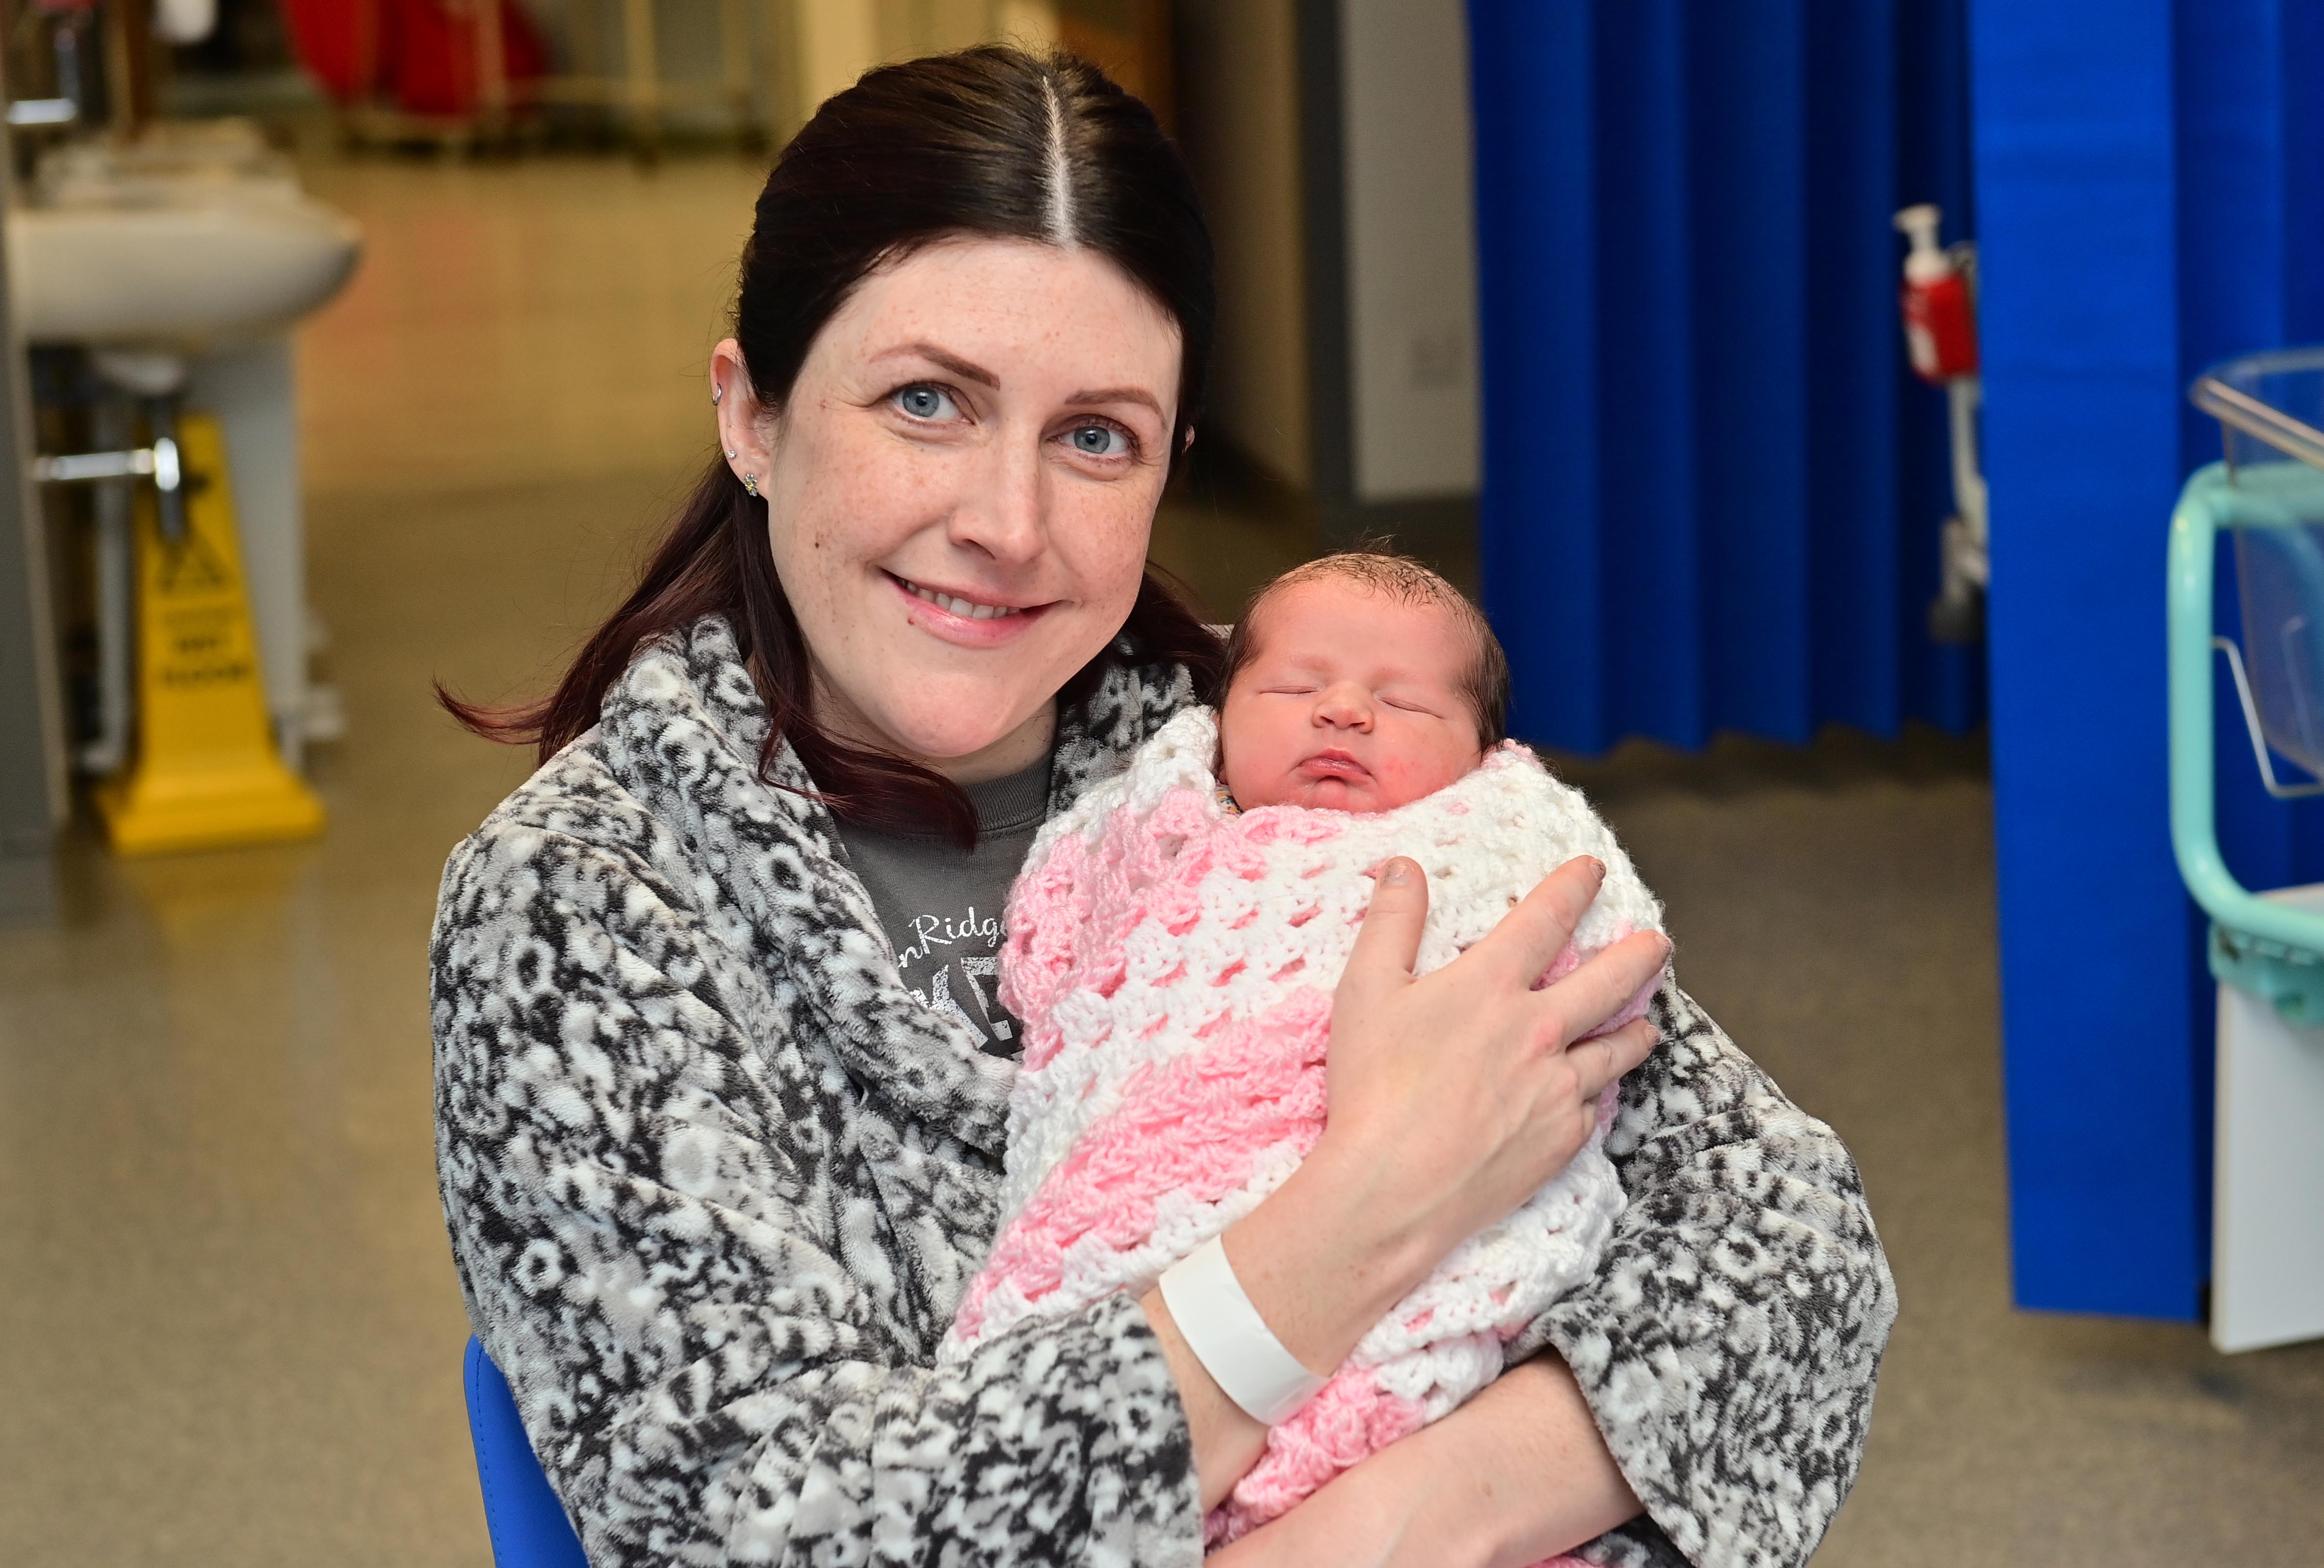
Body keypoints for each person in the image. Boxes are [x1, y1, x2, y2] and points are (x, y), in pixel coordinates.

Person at [431, 46, 1897, 1568]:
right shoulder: (587, 907)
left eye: (1093, 437)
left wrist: (1378, 1533)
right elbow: (770, 1531)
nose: (1007, 526)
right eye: (925, 400)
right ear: (754, 413)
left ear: (1168, 464)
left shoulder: (1278, 766)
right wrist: (1362, 1211)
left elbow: (1794, 1261)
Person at [947, 552, 1667, 1552]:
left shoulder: (1501, 832)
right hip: (1172, 1198)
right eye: (1293, 685)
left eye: (1403, 704)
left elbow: (1610, 961)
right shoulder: (1152, 815)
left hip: (1428, 1213)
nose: (1341, 712)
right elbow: (1064, 956)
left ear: (1483, 750)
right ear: (1221, 714)